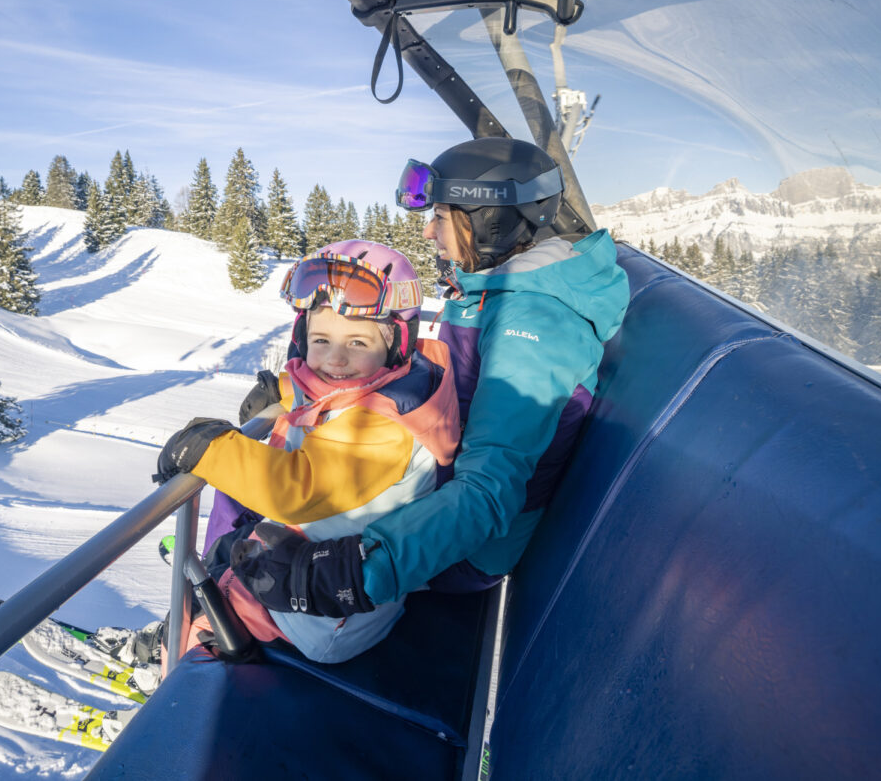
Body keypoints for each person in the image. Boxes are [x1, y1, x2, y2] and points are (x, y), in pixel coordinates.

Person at [226, 137, 630, 618]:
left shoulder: (534, 323)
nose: (427, 233)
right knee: (264, 466)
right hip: (433, 494)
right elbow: (436, 378)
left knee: (267, 501)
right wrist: (294, 388)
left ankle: (209, 625)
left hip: (461, 548)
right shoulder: (496, 290)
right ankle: (216, 591)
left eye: (440, 216)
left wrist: (360, 571)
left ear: (491, 218)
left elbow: (487, 491)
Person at [153, 240, 461, 663]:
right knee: (226, 556)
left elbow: (296, 488)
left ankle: (177, 659)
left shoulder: (388, 425)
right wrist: (284, 390)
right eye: (320, 340)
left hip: (327, 609)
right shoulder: (388, 383)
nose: (335, 359)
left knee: (222, 596)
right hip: (315, 568)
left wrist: (209, 451)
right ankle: (182, 633)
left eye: (357, 342)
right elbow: (334, 394)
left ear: (394, 345)